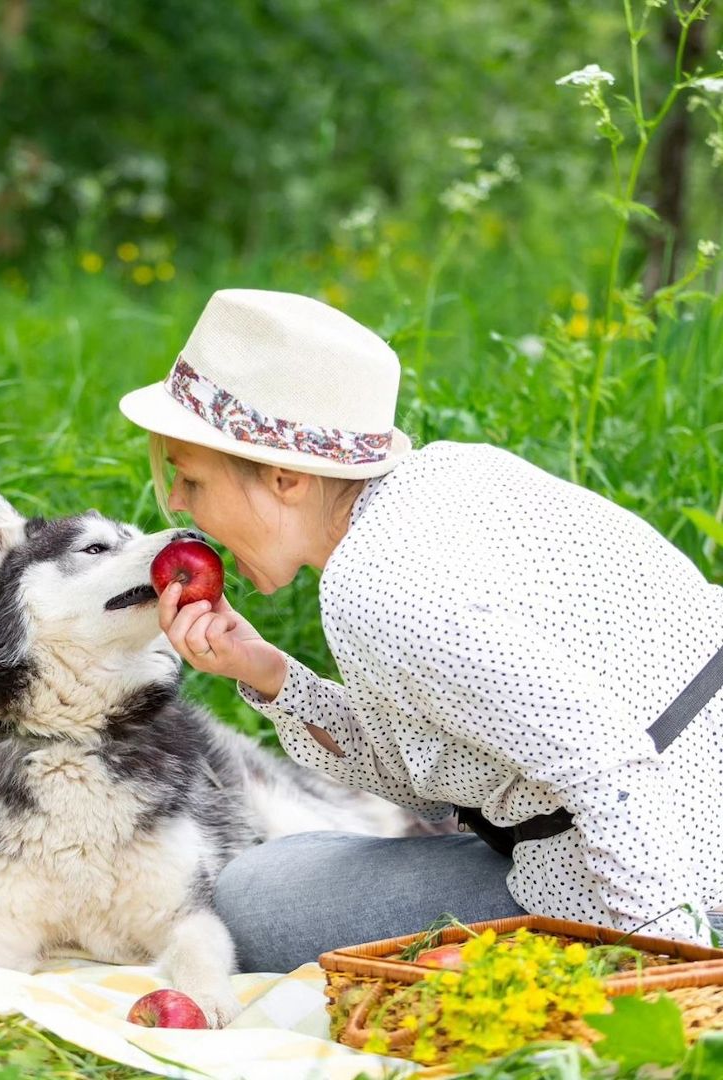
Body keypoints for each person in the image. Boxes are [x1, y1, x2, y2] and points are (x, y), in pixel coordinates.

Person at [118, 288, 723, 972]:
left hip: (674, 863)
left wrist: (676, 967)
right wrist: (267, 673)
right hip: (676, 796)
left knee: (257, 902)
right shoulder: (448, 478)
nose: (174, 501)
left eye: (190, 478)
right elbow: (441, 770)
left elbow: (609, 766)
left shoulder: (376, 586)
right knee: (283, 868)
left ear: (285, 479)